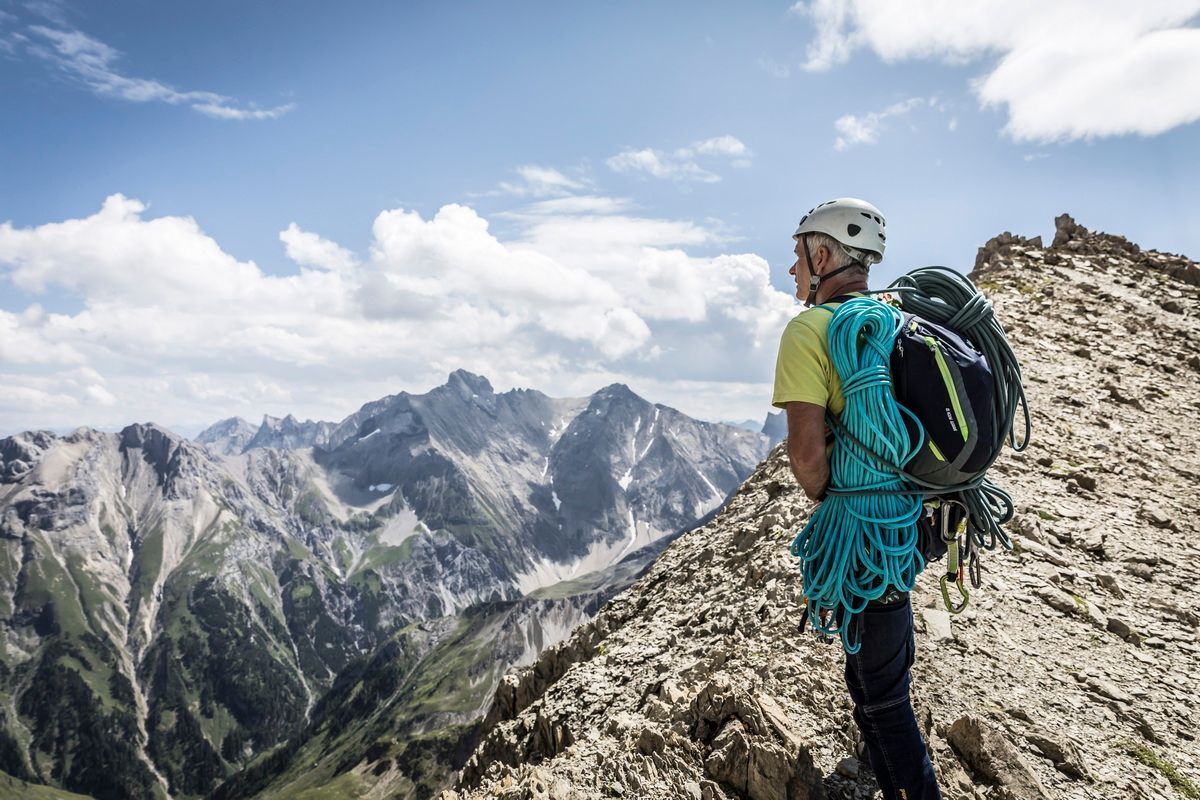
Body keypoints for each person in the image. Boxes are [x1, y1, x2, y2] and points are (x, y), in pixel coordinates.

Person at [771, 198, 942, 800]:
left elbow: (806, 455)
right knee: (877, 667)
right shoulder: (897, 323)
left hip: (865, 529)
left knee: (885, 694)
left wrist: (834, 501)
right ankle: (881, 772)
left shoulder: (809, 330)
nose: (792, 270)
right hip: (907, 524)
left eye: (797, 256)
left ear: (822, 256)